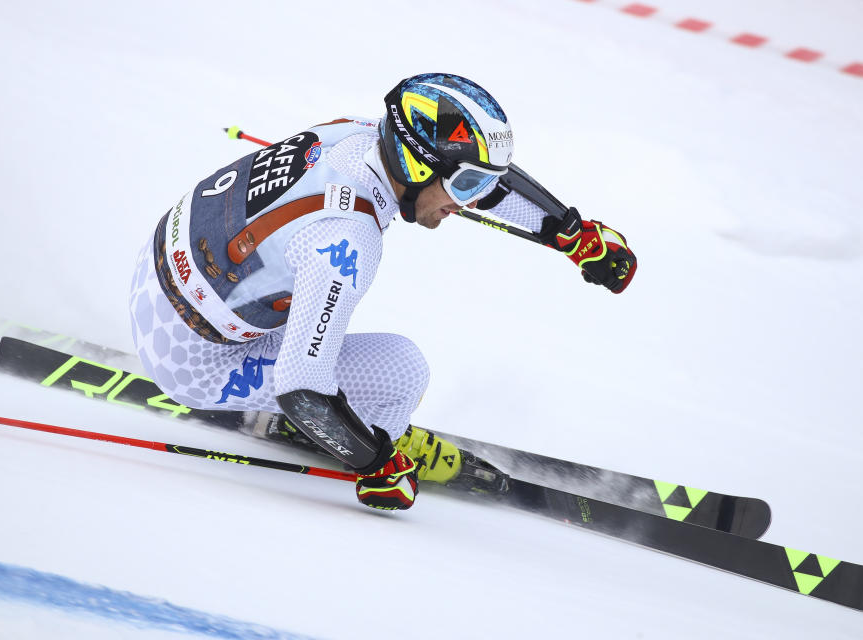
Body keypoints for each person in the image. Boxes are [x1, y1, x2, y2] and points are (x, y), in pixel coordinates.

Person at [128, 73, 636, 511]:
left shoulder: (359, 134)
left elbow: (482, 180)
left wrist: (572, 234)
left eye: (479, 187)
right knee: (401, 371)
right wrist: (376, 463)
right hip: (191, 361)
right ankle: (366, 428)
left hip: (155, 277)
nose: (468, 205)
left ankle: (345, 420)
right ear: (417, 168)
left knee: (300, 292)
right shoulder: (349, 240)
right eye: (465, 188)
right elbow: (301, 386)